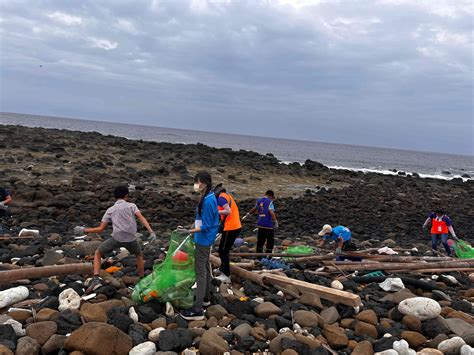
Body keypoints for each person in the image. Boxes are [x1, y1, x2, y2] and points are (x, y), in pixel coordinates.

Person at [75, 186, 156, 293]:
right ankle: (141, 279)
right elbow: (141, 218)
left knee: (98, 253)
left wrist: (84, 230)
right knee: (139, 255)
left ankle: (96, 279)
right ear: (126, 195)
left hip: (116, 238)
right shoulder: (132, 206)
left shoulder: (110, 210)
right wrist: (151, 231)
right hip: (131, 239)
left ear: (115, 196)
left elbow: (100, 229)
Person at [178, 171, 219, 321]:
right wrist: (189, 227)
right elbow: (200, 219)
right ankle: (206, 297)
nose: (196, 184)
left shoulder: (208, 201)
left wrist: (189, 231)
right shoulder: (207, 197)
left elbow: (207, 225)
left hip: (204, 240)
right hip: (203, 238)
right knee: (205, 268)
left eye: (198, 182)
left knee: (200, 271)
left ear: (205, 183)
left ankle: (197, 309)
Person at [214, 184, 242, 283]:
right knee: (223, 249)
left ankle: (226, 275)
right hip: (233, 226)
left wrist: (215, 212)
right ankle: (222, 268)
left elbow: (228, 211)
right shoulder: (227, 196)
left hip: (231, 227)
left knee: (223, 251)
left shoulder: (221, 198)